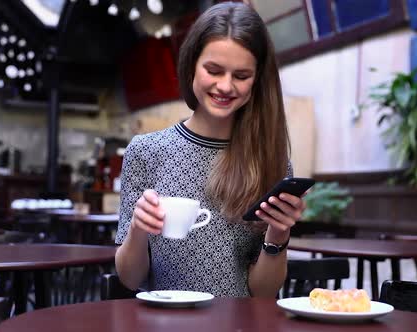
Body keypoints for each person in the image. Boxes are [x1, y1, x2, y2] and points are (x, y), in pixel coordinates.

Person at [114, 1, 307, 297]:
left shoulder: (271, 162)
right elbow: (130, 278)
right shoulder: (145, 151)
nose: (225, 86)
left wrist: (279, 235)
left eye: (241, 76)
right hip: (164, 323)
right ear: (192, 65)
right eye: (214, 70)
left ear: (256, 81)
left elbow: (264, 293)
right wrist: (139, 229)